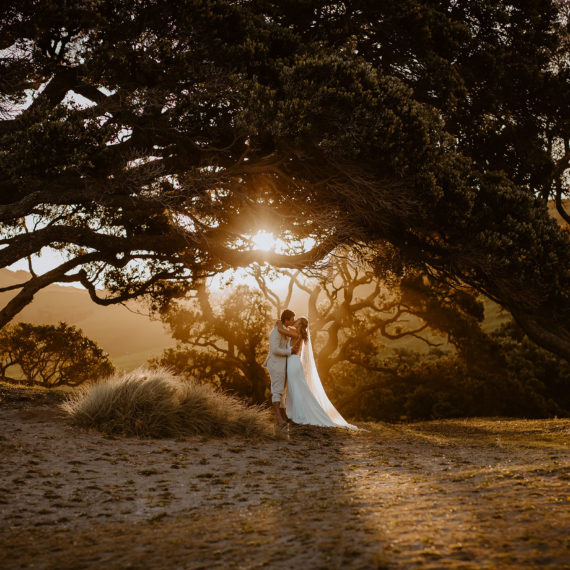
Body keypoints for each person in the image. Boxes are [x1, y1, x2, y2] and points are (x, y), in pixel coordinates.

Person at [276, 316, 357, 430]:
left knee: (295, 389)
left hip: (293, 363)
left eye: (297, 321)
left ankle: (299, 415)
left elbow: (281, 330)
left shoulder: (296, 335)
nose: (294, 321)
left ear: (300, 325)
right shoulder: (296, 333)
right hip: (292, 362)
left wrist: (279, 322)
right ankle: (294, 414)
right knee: (294, 389)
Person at [264, 309, 295, 427]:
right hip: (275, 364)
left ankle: (284, 416)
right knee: (277, 390)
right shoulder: (275, 332)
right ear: (286, 320)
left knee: (282, 391)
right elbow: (274, 350)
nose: (292, 322)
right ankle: (278, 418)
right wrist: (290, 352)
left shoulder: (284, 329)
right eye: (291, 320)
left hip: (282, 364)